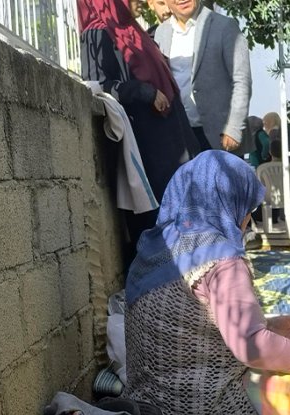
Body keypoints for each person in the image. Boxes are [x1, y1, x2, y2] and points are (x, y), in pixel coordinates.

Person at [124, 152, 290, 415]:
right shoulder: (221, 257)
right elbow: (250, 346)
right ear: (229, 201)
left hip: (146, 397)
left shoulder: (156, 246)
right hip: (200, 403)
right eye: (248, 208)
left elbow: (190, 323)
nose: (248, 218)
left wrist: (268, 326)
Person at [78, 0, 199, 247]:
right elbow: (96, 87)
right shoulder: (97, 33)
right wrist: (143, 92)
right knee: (158, 231)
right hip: (146, 151)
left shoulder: (134, 31)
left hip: (172, 144)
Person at [154, 0, 252, 156]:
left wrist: (234, 127)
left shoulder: (225, 26)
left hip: (221, 137)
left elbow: (241, 80)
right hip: (181, 136)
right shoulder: (161, 32)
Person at [255, 138, 290, 227]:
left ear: (270, 152)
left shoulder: (261, 168)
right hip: (289, 199)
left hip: (268, 200)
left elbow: (258, 189)